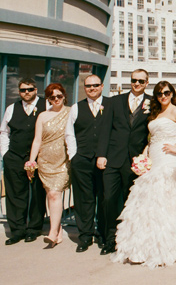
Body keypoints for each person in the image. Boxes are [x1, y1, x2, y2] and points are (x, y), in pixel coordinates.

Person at [110, 81, 176, 268]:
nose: (163, 96)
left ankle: (168, 245)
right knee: (147, 202)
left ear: (172, 94)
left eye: (166, 92)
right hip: (154, 158)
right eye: (159, 93)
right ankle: (143, 247)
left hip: (169, 159)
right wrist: (145, 153)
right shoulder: (155, 113)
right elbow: (153, 138)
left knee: (166, 198)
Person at [98, 69, 151, 255]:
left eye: (141, 81)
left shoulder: (152, 103)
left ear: (147, 83)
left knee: (132, 202)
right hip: (113, 158)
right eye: (134, 80)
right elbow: (105, 130)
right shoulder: (114, 101)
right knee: (109, 200)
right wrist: (101, 155)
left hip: (136, 162)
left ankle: (130, 240)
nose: (137, 83)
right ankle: (110, 240)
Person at [65, 75, 111, 253]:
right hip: (82, 160)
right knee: (84, 199)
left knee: (104, 198)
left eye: (95, 85)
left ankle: (102, 235)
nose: (92, 88)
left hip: (104, 160)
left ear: (101, 86)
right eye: (88, 86)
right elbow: (70, 133)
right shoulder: (76, 107)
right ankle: (85, 236)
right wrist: (73, 156)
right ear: (84, 88)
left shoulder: (110, 105)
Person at [0, 78, 47, 245]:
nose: (26, 92)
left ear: (36, 90)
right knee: (15, 194)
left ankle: (34, 229)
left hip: (38, 158)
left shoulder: (46, 105)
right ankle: (17, 230)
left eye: (30, 89)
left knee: (37, 194)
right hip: (14, 156)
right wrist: (5, 154)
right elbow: (4, 132)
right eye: (23, 90)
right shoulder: (12, 108)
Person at [27, 83, 70, 247]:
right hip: (45, 161)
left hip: (63, 161)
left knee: (54, 194)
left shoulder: (70, 112)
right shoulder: (43, 116)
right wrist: (32, 161)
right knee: (51, 196)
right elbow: (37, 140)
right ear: (48, 99)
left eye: (59, 96)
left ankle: (52, 233)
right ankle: (56, 231)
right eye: (52, 97)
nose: (56, 99)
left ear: (64, 96)